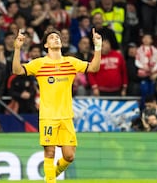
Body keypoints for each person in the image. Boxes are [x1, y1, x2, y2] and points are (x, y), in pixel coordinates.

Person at [12, 27, 102, 183]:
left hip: (66, 116)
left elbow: (94, 68)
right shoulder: (39, 64)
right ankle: (50, 180)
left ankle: (51, 175)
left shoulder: (70, 62)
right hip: (48, 116)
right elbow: (17, 70)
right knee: (49, 153)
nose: (56, 39)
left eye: (57, 37)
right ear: (46, 45)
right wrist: (17, 48)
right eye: (52, 37)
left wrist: (98, 47)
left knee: (69, 156)